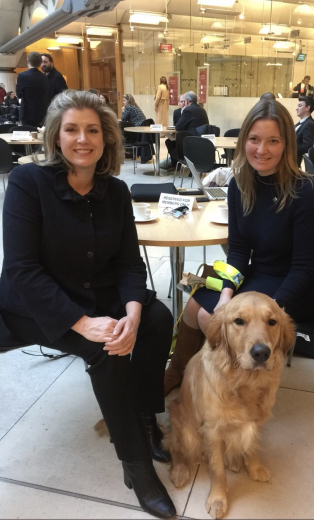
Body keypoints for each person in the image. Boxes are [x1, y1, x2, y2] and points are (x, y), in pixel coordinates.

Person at [0, 90, 176, 520]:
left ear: (106, 138)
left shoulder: (115, 191)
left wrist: (132, 313)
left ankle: (147, 417)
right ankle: (136, 466)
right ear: (56, 138)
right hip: (36, 305)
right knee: (105, 348)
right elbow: (22, 270)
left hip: (98, 295)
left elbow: (131, 263)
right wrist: (83, 324)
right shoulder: (28, 183)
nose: (83, 139)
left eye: (92, 130)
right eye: (72, 129)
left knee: (157, 318)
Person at [164, 99, 314, 395]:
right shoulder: (240, 184)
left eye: (273, 141)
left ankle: (236, 388)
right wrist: (226, 294)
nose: (261, 150)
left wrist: (273, 309)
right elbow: (239, 252)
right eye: (254, 139)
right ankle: (178, 371)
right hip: (260, 273)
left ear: (286, 145)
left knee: (212, 318)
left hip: (300, 286)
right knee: (196, 305)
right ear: (244, 142)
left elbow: (305, 267)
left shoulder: (305, 192)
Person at [16, 51, 48, 127]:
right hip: (41, 111)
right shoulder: (44, 77)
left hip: (27, 111)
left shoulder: (22, 76)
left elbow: (19, 94)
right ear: (40, 63)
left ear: (28, 61)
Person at [295, 95, 314, 167]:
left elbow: (308, 146)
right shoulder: (301, 123)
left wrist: (289, 148)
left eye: (300, 106)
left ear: (307, 107)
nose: (296, 108)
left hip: (293, 160)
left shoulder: (309, 124)